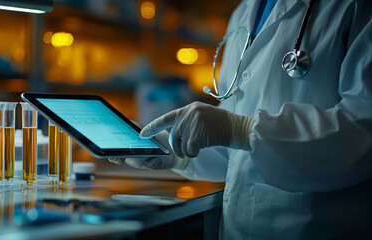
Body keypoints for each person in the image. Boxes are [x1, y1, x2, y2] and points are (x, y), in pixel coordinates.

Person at [110, 0, 372, 239]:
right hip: (241, 228)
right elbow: (234, 149)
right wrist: (173, 151)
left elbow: (362, 130)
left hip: (316, 228)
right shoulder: (243, 13)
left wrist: (244, 130)